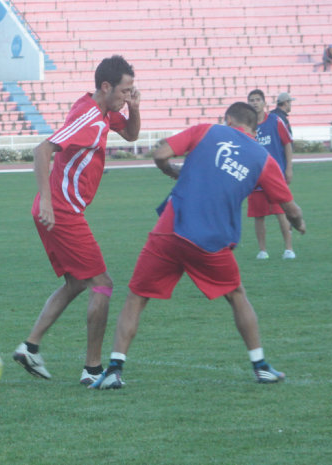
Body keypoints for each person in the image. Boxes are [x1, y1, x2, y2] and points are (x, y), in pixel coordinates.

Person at [89, 102, 306, 390]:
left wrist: (171, 170)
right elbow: (289, 206)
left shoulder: (207, 130)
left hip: (170, 229)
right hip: (211, 241)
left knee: (137, 298)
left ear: (228, 119)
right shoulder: (262, 158)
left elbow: (160, 153)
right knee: (237, 296)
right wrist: (299, 224)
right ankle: (261, 366)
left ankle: (115, 369)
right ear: (254, 128)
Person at [13, 55, 141, 385]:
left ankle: (30, 347)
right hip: (63, 211)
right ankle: (93, 369)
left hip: (62, 209)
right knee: (102, 284)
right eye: (125, 91)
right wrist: (47, 201)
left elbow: (130, 135)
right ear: (106, 86)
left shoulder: (102, 110)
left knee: (75, 284)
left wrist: (134, 107)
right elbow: (43, 150)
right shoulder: (89, 117)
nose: (127, 96)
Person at [247, 89, 295, 260]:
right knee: (258, 215)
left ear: (264, 102)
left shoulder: (275, 121)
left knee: (281, 212)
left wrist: (289, 168)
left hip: (275, 177)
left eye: (258, 99)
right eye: (251, 100)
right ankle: (262, 250)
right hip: (254, 178)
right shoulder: (246, 126)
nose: (255, 103)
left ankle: (288, 249)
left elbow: (287, 144)